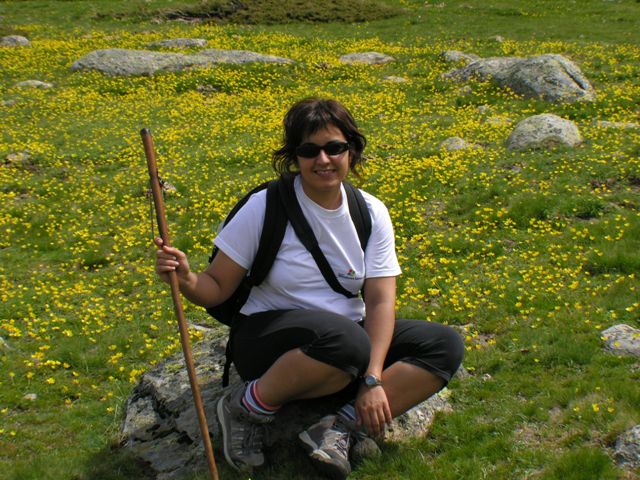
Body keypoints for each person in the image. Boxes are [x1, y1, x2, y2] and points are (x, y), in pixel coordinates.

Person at [154, 98, 464, 479]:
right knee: (349, 341)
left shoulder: (371, 212)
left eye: (334, 147)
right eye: (309, 150)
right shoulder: (265, 206)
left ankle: (339, 427)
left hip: (347, 348)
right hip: (268, 343)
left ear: (351, 151)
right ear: (294, 156)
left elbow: (380, 300)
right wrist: (186, 278)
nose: (323, 159)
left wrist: (372, 379)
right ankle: (244, 408)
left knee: (444, 345)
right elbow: (216, 287)